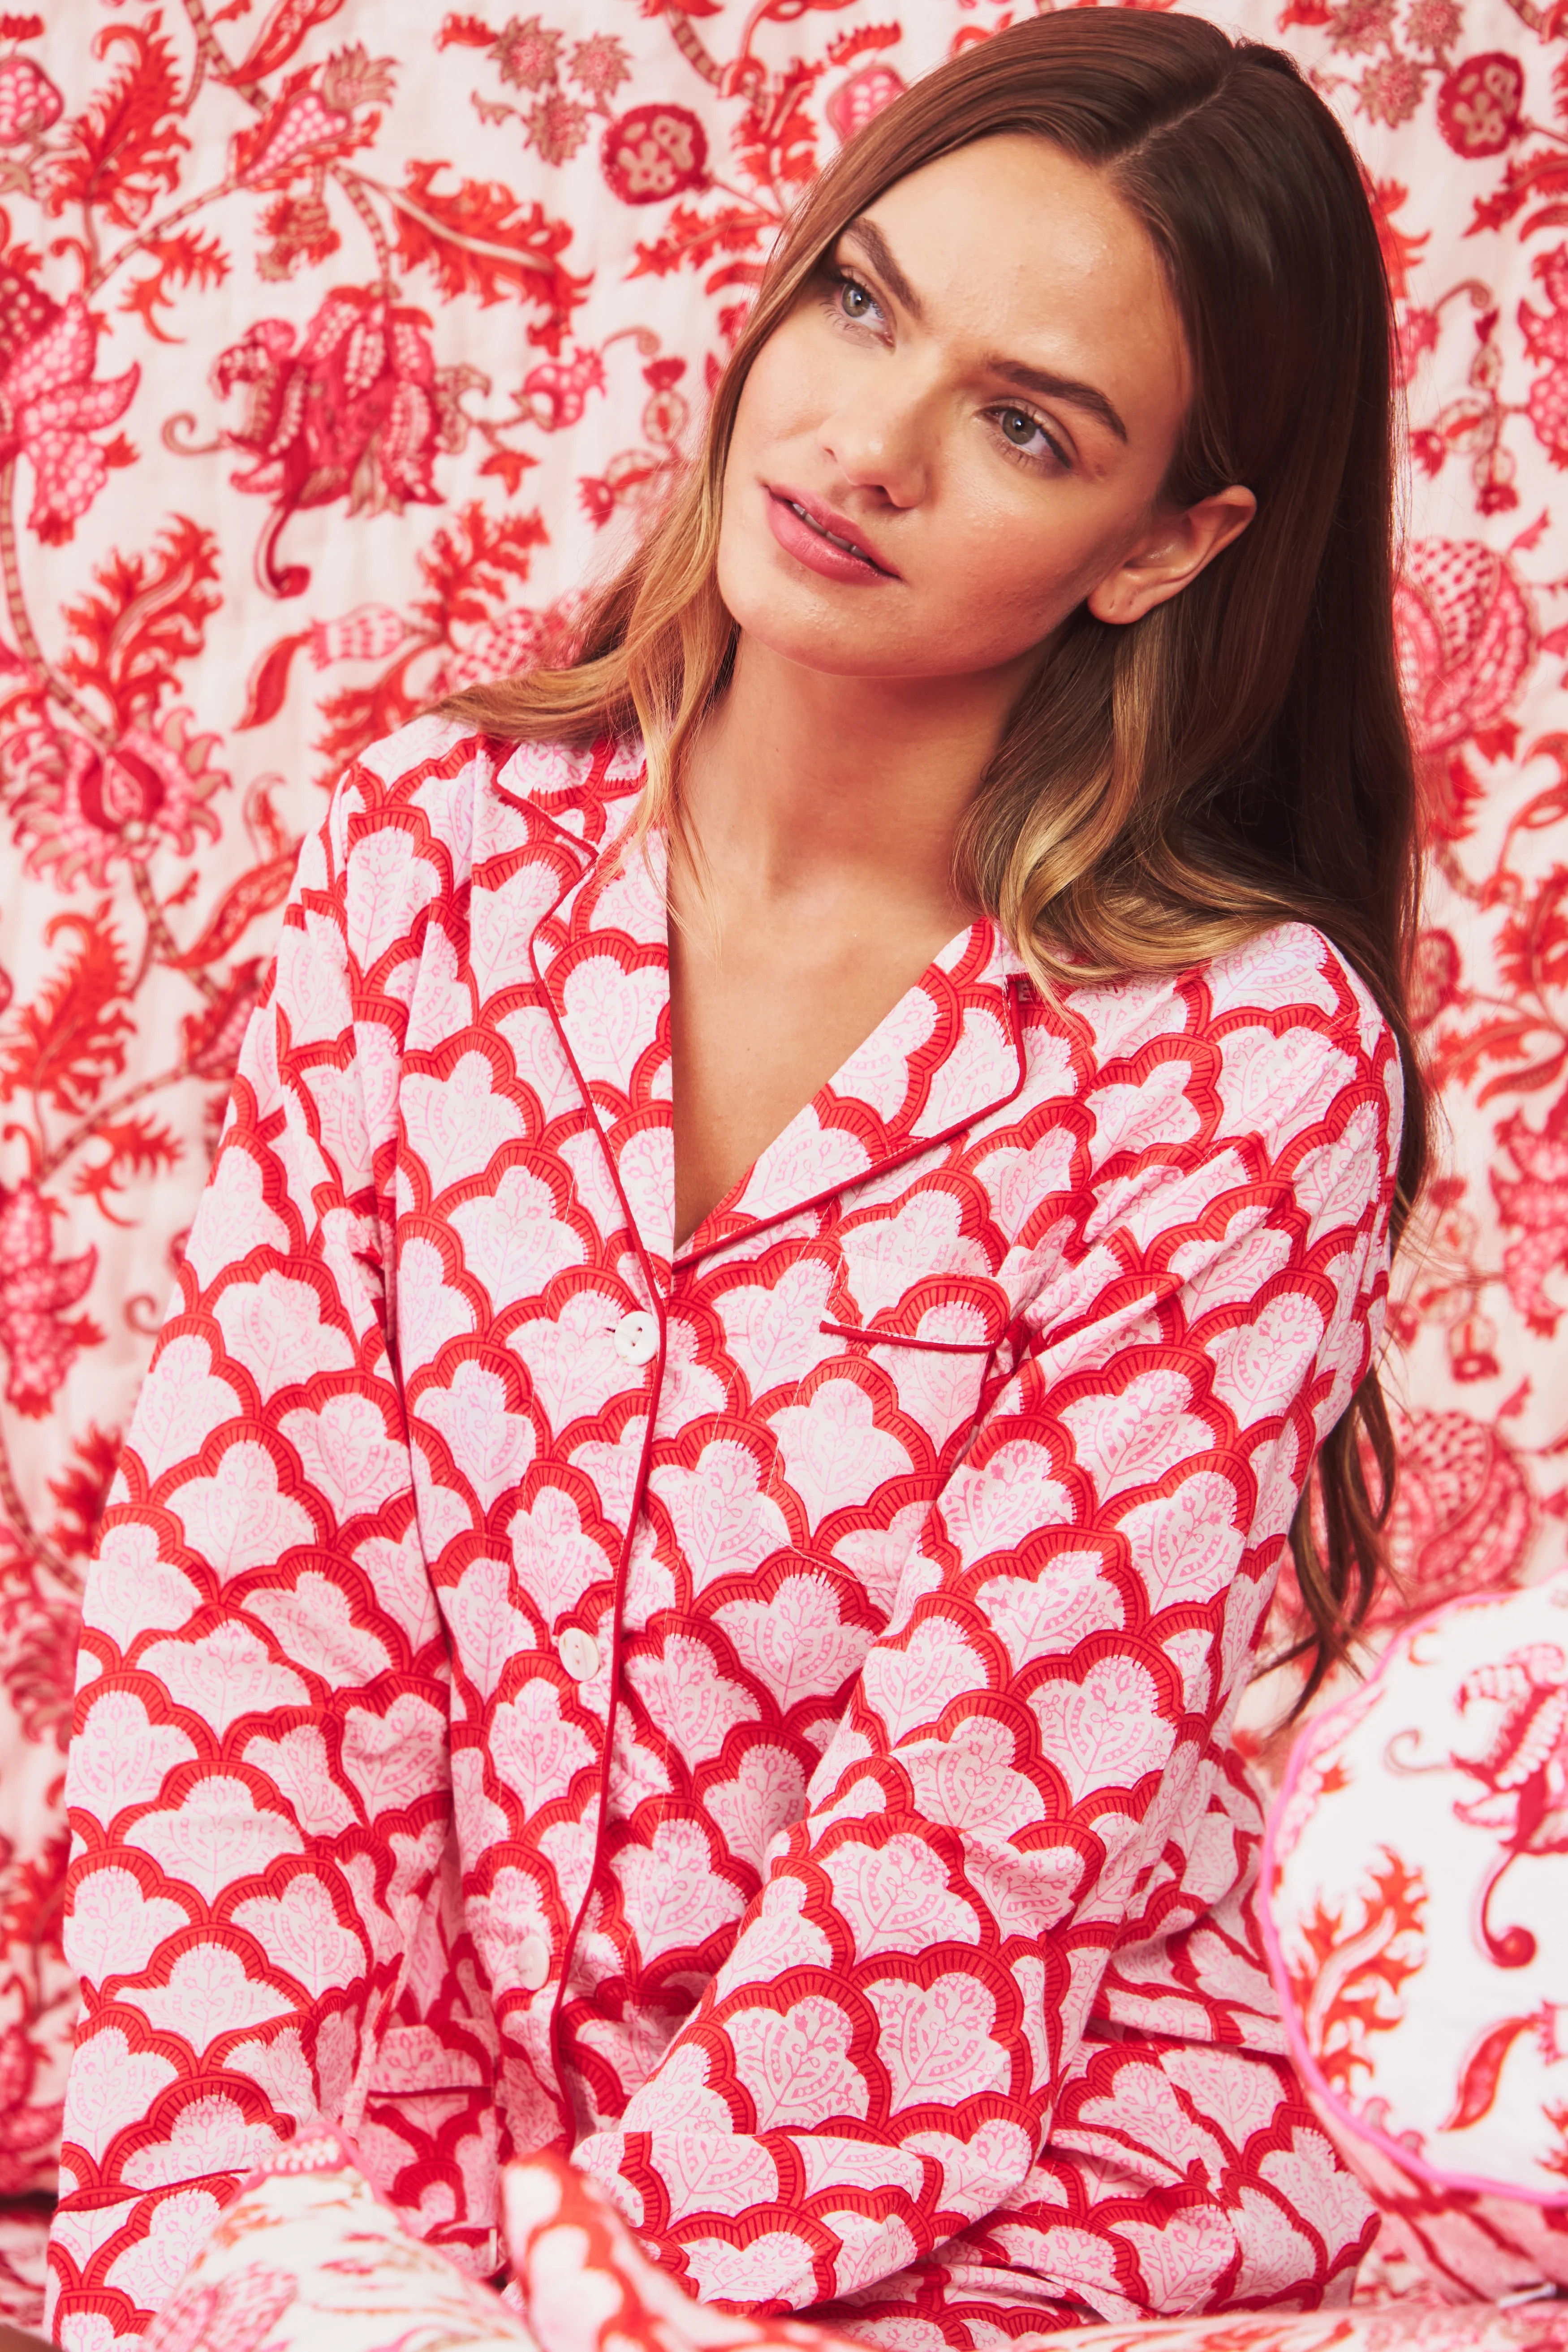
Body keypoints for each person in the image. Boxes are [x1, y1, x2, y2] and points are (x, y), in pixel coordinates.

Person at [46, 13, 1429, 2346]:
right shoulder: (430, 865)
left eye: (1025, 423)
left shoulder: (1239, 1068)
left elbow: (981, 1829)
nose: (868, 443)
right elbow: (250, 1613)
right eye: (863, 305)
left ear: (1166, 546)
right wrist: (235, 2200)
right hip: (406, 2149)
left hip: (997, 2197)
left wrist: (617, 2291)